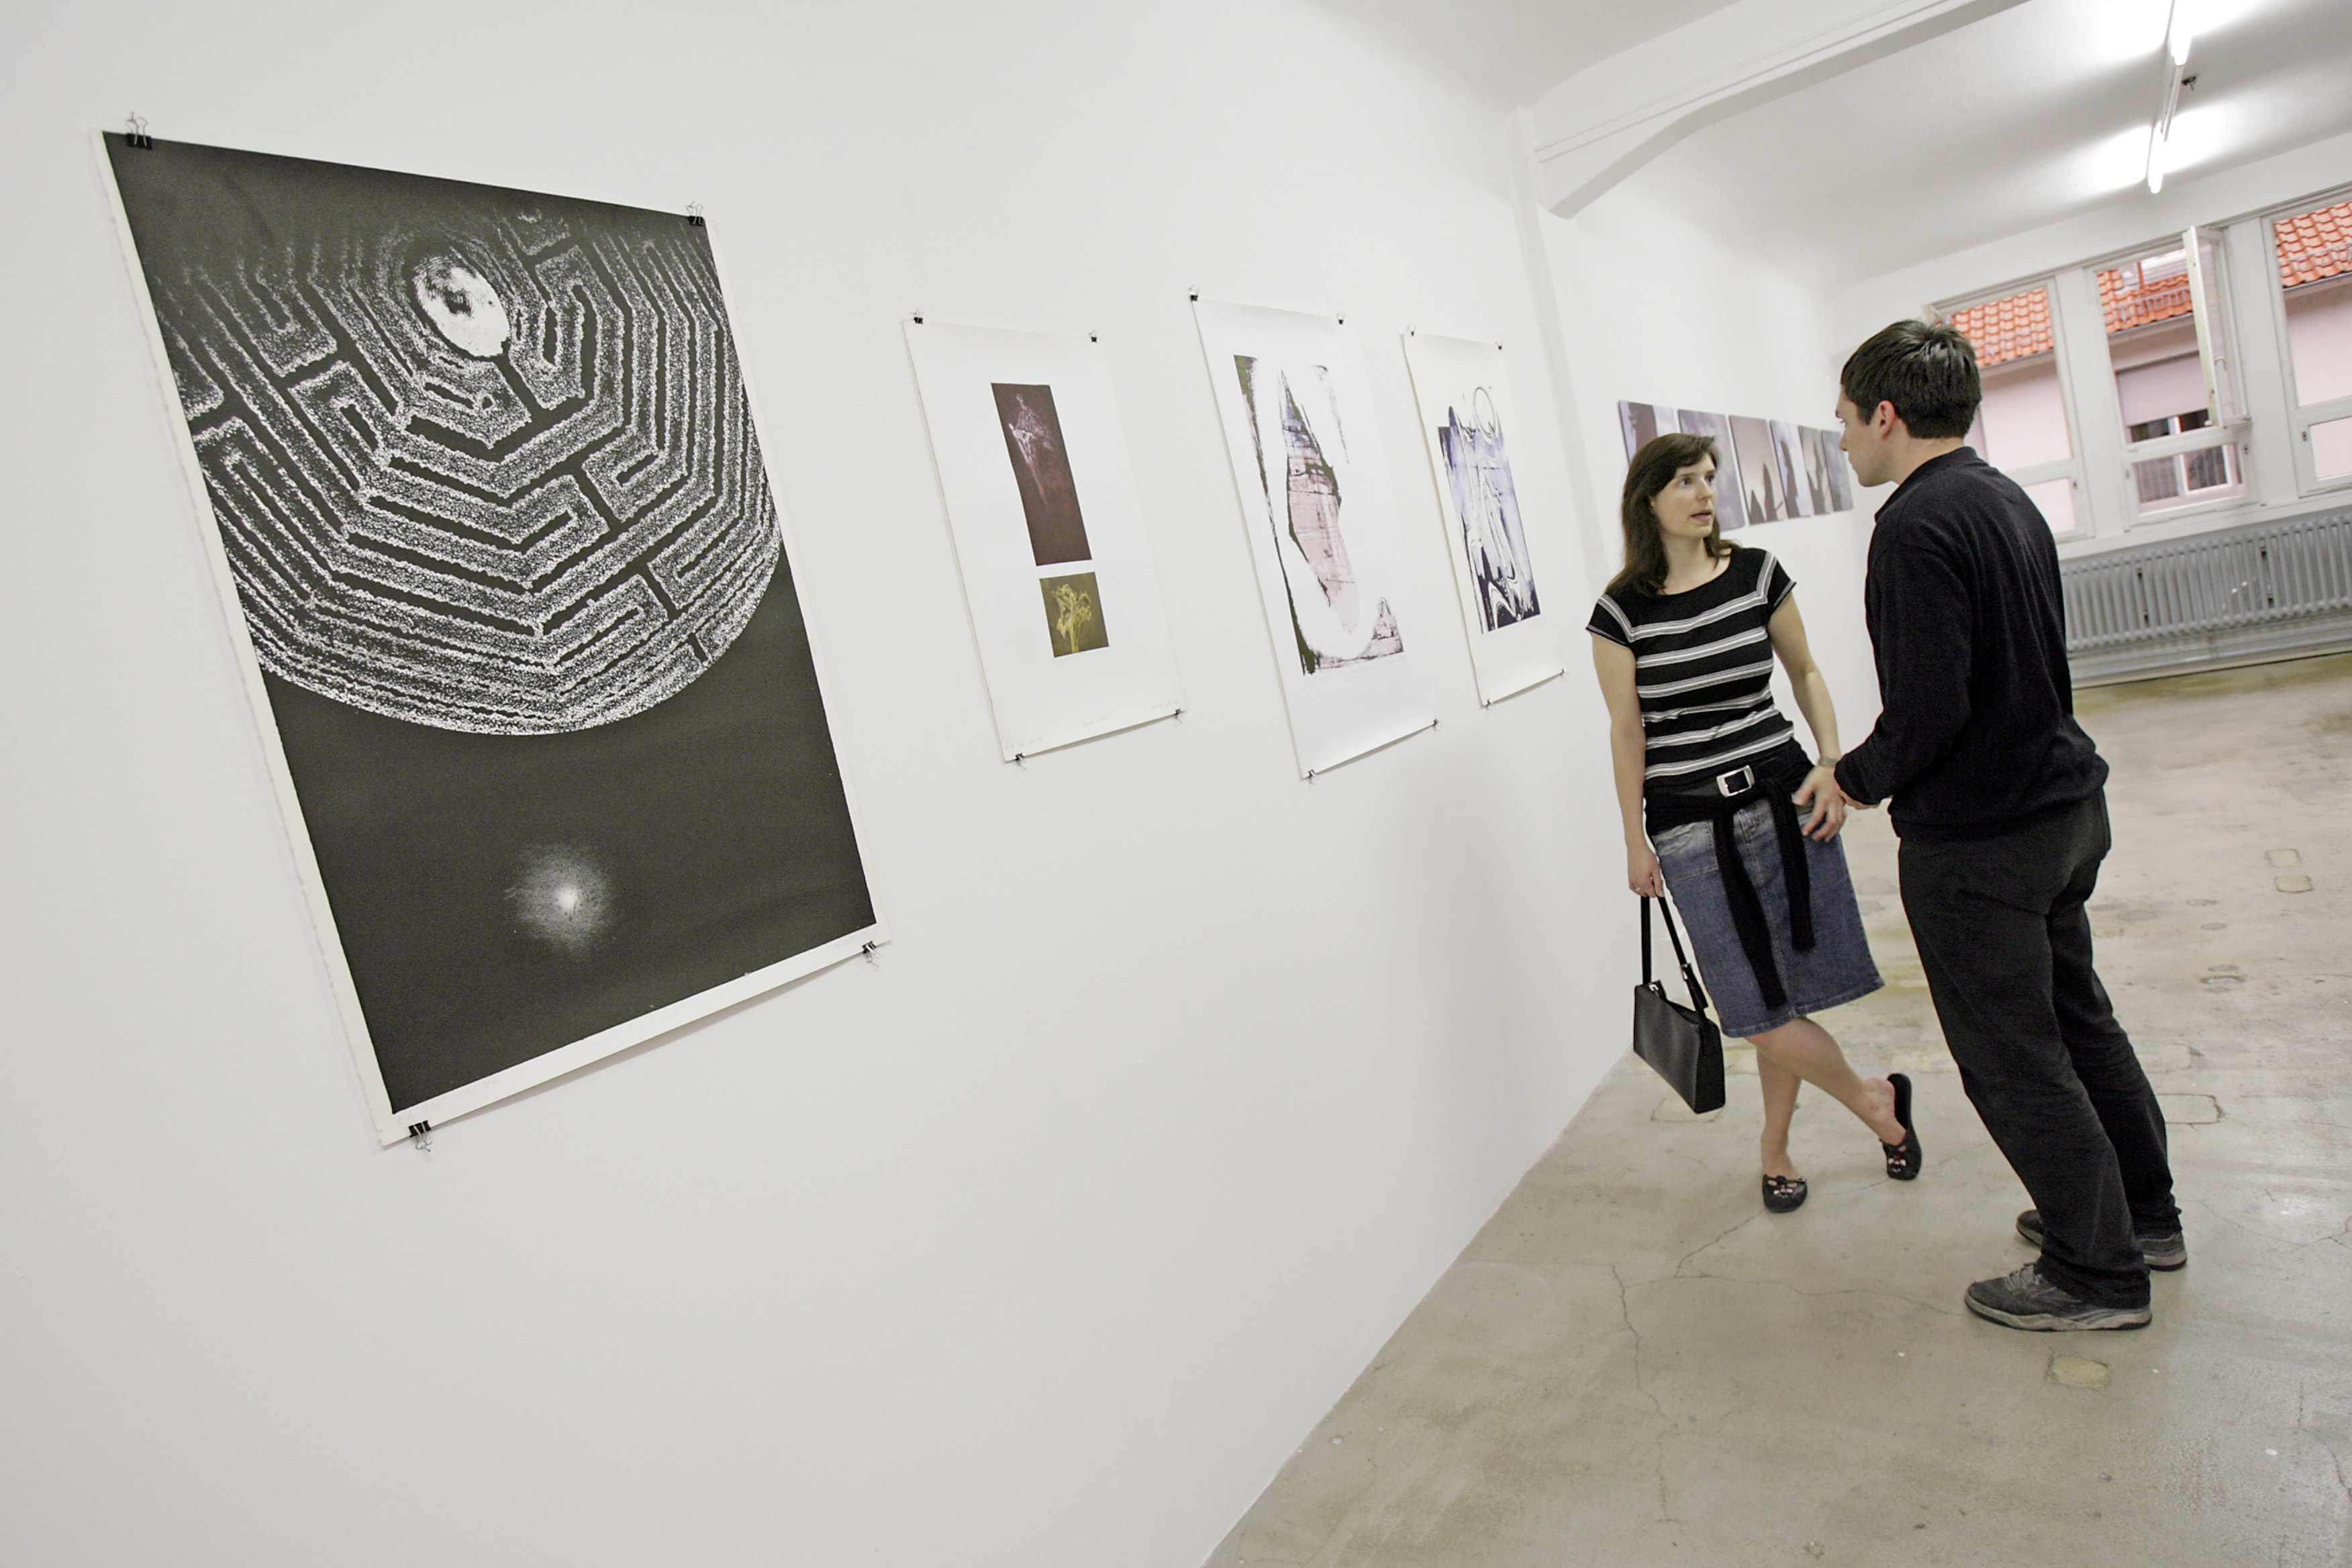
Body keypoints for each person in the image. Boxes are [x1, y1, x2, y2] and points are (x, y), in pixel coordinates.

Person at [1827, 320, 2183, 1332]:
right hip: (2066, 811)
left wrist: (1850, 780)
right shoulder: (2003, 497)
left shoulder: (1911, 528)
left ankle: (2095, 1271)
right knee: (2079, 1021)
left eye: (1847, 421)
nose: (1845, 440)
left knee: (2015, 1058)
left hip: (1984, 840)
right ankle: (2146, 1217)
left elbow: (1931, 708)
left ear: (1885, 415)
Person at [1589, 432, 1920, 1214]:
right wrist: (1632, 836)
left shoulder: (1756, 574)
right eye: (1684, 482)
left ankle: (1774, 1148)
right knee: (1753, 1010)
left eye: (1708, 478)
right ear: (1648, 500)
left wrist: (1832, 761)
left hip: (1780, 795)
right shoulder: (1619, 610)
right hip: (1688, 823)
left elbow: (1804, 670)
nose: (1704, 493)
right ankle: (1875, 1100)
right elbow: (1628, 729)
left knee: (1787, 997)